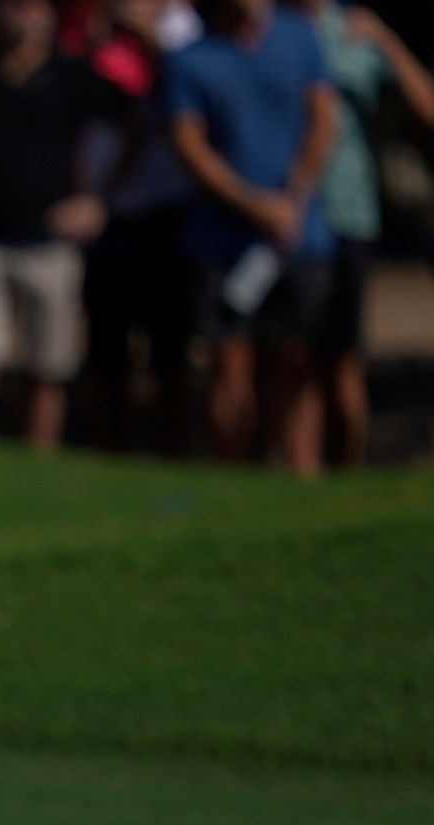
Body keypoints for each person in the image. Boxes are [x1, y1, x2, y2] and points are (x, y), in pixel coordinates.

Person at [162, 0, 339, 476]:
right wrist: (253, 204)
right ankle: (236, 486)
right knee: (229, 364)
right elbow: (189, 145)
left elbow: (324, 118)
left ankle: (300, 482)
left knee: (297, 362)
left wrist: (293, 197)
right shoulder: (188, 57)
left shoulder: (299, 35)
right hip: (222, 240)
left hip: (299, 236)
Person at [0, 0, 115, 450]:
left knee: (46, 373)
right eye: (15, 5)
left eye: (36, 5)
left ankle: (39, 478)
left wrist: (98, 199)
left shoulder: (73, 76)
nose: (27, 14)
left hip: (51, 244)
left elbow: (136, 127)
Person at [299, 0, 434, 468]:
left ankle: (343, 477)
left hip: (349, 214)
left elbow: (430, 109)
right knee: (295, 361)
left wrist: (385, 39)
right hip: (288, 216)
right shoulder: (266, 26)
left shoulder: (354, 31)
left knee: (342, 357)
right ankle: (294, 479)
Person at [76, 0, 199, 453]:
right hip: (103, 215)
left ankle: (174, 451)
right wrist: (98, 41)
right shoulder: (95, 25)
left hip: (166, 210)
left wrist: (146, 35)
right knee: (106, 349)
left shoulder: (185, 24)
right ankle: (111, 453)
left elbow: (191, 84)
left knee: (169, 351)